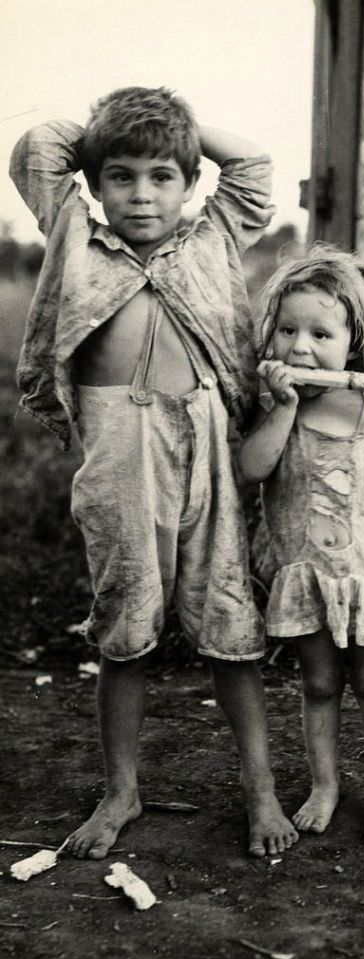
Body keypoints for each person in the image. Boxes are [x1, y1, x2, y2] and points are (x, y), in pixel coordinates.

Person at [9, 85, 298, 859]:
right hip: (118, 449)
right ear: (96, 185)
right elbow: (37, 148)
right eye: (122, 175)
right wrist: (114, 128)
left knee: (229, 620)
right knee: (125, 624)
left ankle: (259, 788)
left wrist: (180, 129)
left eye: (161, 175)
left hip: (205, 437)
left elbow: (254, 167)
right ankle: (121, 791)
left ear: (189, 180)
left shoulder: (214, 237)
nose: (142, 194)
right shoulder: (75, 234)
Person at [238, 247, 364, 843]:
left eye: (321, 333)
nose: (301, 347)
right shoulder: (276, 407)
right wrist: (284, 410)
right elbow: (254, 467)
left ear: (352, 343)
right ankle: (325, 784)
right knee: (318, 685)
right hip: (308, 575)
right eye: (288, 330)